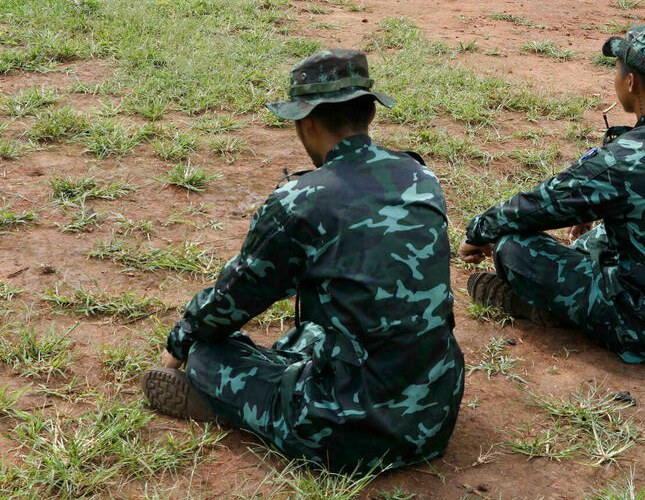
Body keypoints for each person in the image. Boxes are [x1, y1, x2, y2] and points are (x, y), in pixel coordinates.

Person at [143, 49, 464, 473]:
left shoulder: (301, 200)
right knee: (315, 333)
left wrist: (181, 341)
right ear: (369, 111)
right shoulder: (421, 177)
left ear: (307, 121)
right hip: (436, 411)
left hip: (345, 431)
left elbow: (233, 298)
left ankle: (229, 405)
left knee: (207, 354)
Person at [460, 23, 645, 364]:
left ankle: (547, 308)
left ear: (631, 82)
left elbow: (538, 205)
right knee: (601, 236)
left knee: (512, 246)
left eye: (617, 70)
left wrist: (478, 231)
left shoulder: (624, 159)